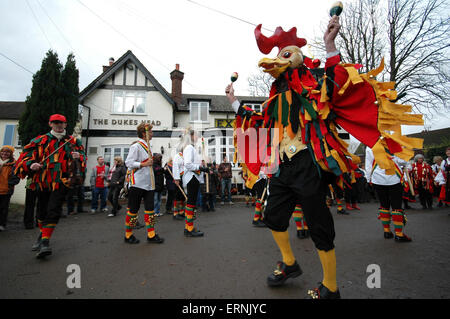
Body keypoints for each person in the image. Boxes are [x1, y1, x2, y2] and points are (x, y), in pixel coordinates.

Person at [227, 13, 422, 299]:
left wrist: (331, 45)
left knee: (319, 225)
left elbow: (337, 82)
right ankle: (290, 263)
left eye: (284, 55)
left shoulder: (314, 86)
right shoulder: (275, 99)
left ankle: (330, 286)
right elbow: (257, 120)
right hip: (283, 166)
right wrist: (233, 102)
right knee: (273, 216)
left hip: (309, 162)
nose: (276, 62)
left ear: (297, 58)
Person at [14, 114, 86, 258]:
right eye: (56, 123)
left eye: (62, 123)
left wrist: (80, 157)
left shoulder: (73, 141)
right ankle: (42, 234)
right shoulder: (40, 140)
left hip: (61, 181)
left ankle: (45, 242)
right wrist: (31, 164)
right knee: (41, 211)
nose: (59, 125)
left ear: (66, 125)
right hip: (42, 181)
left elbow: (83, 157)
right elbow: (25, 157)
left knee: (54, 209)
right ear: (50, 124)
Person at [124, 123, 164, 244]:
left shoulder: (148, 147)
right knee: (133, 210)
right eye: (151, 131)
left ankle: (151, 235)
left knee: (150, 210)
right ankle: (128, 235)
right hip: (137, 183)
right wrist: (142, 164)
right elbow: (128, 162)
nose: (152, 134)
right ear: (144, 133)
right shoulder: (136, 146)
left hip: (149, 183)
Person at [365, 147, 411, 242]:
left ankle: (387, 231)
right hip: (394, 177)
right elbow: (402, 161)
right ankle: (399, 234)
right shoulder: (393, 142)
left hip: (377, 178)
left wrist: (368, 179)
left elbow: (368, 164)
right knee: (396, 206)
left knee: (384, 205)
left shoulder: (370, 146)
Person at [181, 128, 208, 237]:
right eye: (196, 135)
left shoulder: (192, 148)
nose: (197, 137)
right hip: (191, 178)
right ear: (191, 136)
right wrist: (200, 168)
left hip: (194, 178)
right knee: (191, 203)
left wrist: (203, 167)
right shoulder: (189, 148)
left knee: (191, 203)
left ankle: (188, 227)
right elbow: (187, 164)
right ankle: (189, 228)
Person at [0, 145, 20, 231]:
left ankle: (2, 224)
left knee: (3, 209)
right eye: (3, 151)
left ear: (11, 154)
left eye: (7, 152)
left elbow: (16, 178)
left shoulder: (14, 165)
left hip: (6, 191)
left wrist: (8, 185)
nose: (4, 153)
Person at [172, 146, 186, 221]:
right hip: (179, 178)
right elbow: (175, 168)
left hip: (184, 178)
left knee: (182, 197)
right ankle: (175, 213)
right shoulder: (177, 156)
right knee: (177, 197)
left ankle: (181, 212)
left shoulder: (185, 156)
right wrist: (177, 179)